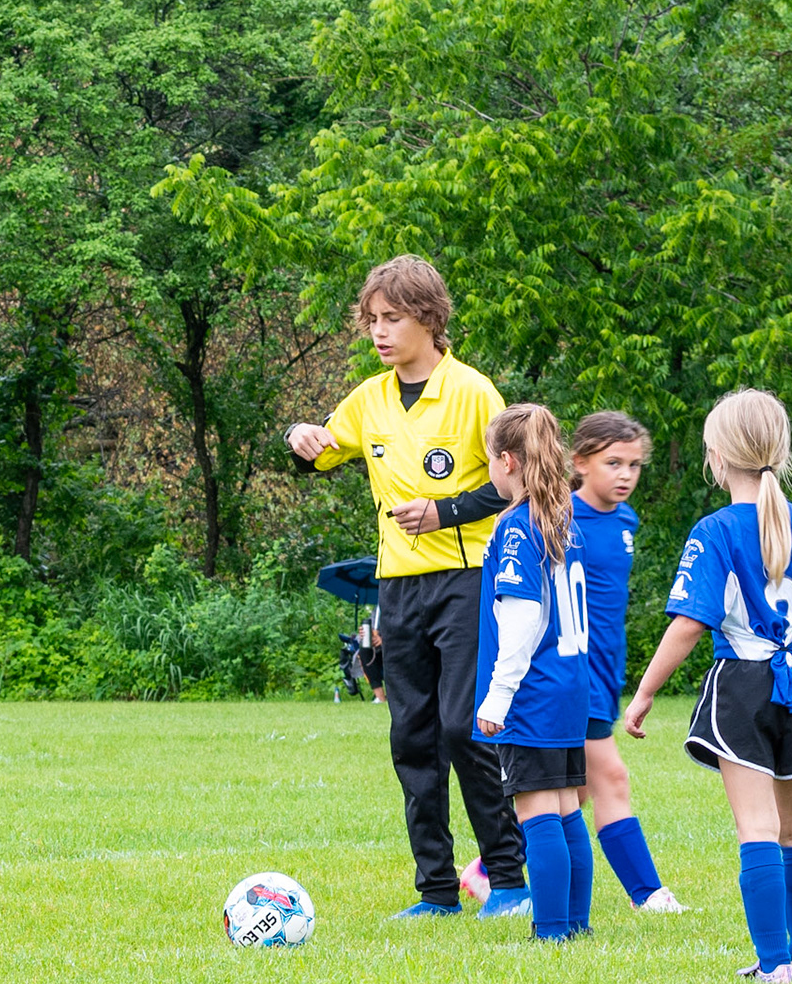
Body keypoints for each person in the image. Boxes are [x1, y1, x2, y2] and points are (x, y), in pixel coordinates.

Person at [286, 256, 529, 919]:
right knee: (411, 735)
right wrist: (299, 437)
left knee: (463, 725)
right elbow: (320, 452)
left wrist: (444, 511)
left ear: (428, 317)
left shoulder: (476, 391)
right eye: (372, 320)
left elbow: (517, 478)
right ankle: (437, 891)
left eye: (391, 318)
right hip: (399, 584)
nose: (379, 332)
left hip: (469, 578)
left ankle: (508, 878)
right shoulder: (367, 399)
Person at [625, 390, 792, 984]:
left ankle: (775, 965)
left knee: (757, 829)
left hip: (743, 683)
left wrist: (644, 692)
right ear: (780, 453)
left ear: (716, 457)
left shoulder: (714, 530)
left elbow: (688, 625)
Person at [472, 404, 594, 941]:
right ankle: (575, 924)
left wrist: (498, 698)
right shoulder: (563, 519)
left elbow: (523, 618)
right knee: (567, 808)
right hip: (569, 687)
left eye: (488, 463)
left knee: (538, 811)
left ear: (507, 461)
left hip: (533, 691)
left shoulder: (518, 528)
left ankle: (551, 932)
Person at [570, 412, 685, 913]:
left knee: (572, 792)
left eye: (634, 465)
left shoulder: (626, 520)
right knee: (610, 777)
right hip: (570, 673)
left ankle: (491, 872)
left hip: (606, 672)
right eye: (613, 462)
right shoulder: (559, 518)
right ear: (580, 463)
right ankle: (649, 894)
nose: (625, 475)